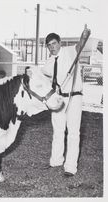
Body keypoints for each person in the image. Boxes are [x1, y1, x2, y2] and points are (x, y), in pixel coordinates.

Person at [41, 27, 91, 177]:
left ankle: (70, 167)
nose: (52, 47)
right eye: (49, 45)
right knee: (58, 131)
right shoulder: (49, 62)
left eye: (54, 44)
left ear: (60, 43)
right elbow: (44, 78)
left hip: (74, 97)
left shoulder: (70, 52)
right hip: (58, 98)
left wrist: (83, 36)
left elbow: (80, 45)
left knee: (73, 132)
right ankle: (56, 161)